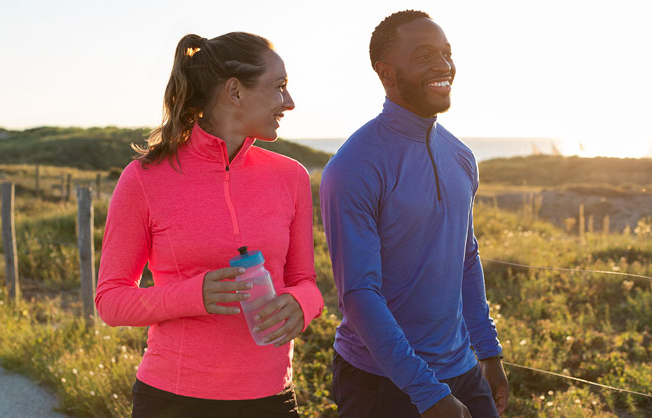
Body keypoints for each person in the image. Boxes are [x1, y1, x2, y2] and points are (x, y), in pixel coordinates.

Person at [96, 32, 324, 417]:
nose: (289, 102)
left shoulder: (291, 177)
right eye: (279, 87)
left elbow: (306, 282)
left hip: (270, 398)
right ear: (234, 91)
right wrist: (195, 295)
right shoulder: (145, 178)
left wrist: (302, 304)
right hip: (173, 399)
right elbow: (111, 301)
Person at [320, 10, 509, 418]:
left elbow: (466, 257)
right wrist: (427, 392)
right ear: (386, 73)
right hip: (379, 380)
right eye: (424, 55)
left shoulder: (461, 157)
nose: (444, 66)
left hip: (462, 369)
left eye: (446, 53)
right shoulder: (353, 167)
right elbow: (358, 294)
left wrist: (488, 352)